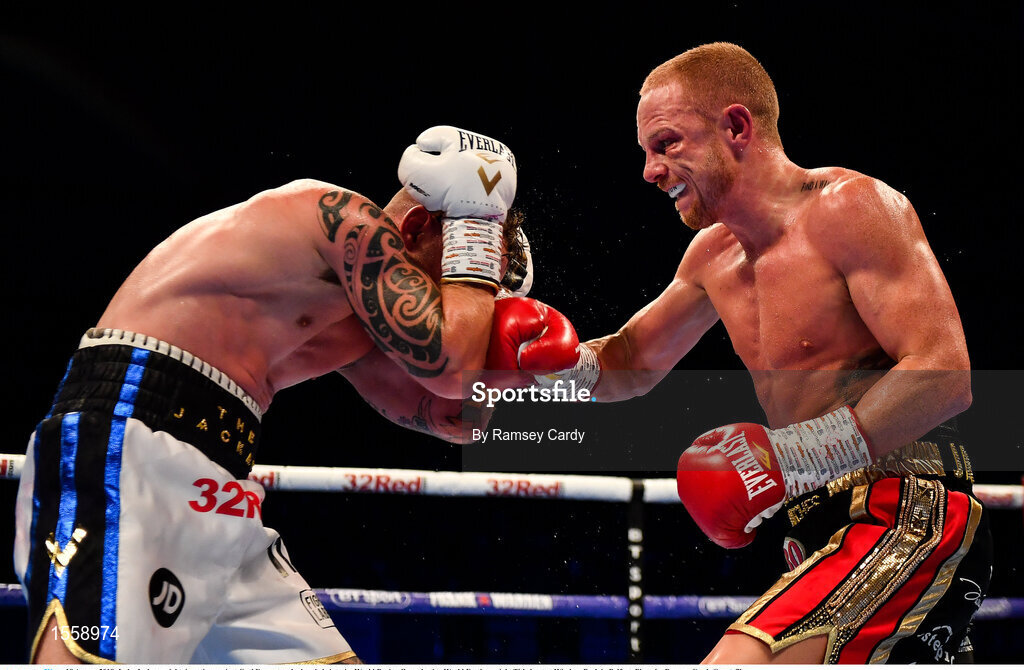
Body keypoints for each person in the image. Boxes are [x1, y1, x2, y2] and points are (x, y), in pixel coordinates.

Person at [517, 43, 992, 664]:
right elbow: (626, 365)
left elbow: (945, 372)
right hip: (812, 527)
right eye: (646, 153)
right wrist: (536, 357)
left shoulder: (849, 209)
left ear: (736, 126)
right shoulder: (712, 258)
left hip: (903, 513)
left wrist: (792, 457)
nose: (650, 171)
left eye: (666, 144)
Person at [13, 125, 534, 664]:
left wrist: (522, 359)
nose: (455, 295)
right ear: (419, 225)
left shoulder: (359, 320)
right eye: (452, 269)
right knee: (86, 655)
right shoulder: (336, 219)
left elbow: (456, 416)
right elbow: (450, 367)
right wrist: (479, 227)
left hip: (221, 484)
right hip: (129, 439)